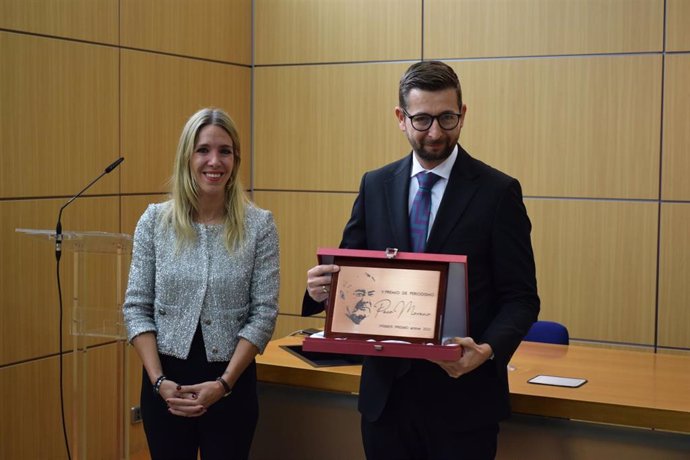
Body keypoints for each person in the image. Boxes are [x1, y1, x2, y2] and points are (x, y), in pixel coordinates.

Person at [303, 61, 539, 459]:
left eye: (447, 118)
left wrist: (487, 350)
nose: (435, 132)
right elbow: (348, 273)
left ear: (463, 114)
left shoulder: (498, 192)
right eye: (423, 119)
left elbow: (521, 297)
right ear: (401, 117)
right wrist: (320, 289)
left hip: (463, 400)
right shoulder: (375, 184)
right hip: (386, 403)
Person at [123, 108, 279, 460]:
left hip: (231, 385)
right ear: (187, 157)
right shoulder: (154, 221)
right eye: (203, 150)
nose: (214, 161)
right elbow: (136, 307)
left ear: (235, 159)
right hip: (165, 385)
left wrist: (223, 384)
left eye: (225, 151)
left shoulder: (260, 226)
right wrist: (160, 383)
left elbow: (264, 314)